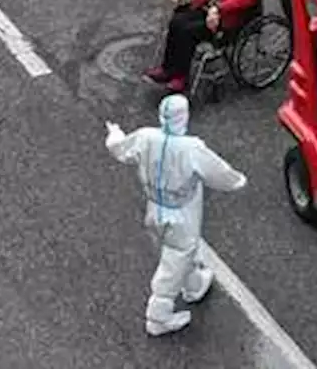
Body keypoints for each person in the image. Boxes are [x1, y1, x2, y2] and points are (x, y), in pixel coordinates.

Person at [105, 94, 248, 336]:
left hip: (154, 208)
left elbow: (120, 148)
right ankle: (157, 316)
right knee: (176, 256)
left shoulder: (146, 137)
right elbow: (219, 173)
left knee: (181, 252)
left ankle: (193, 284)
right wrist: (238, 181)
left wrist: (115, 133)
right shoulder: (191, 148)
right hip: (181, 212)